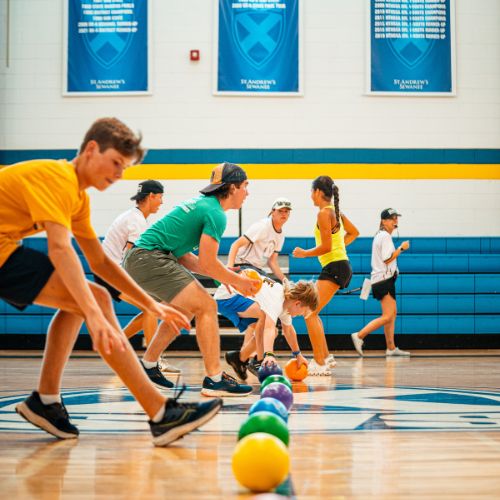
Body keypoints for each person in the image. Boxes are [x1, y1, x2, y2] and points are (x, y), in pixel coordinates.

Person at [0, 117, 222, 446]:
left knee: (88, 297)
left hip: (6, 249)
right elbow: (60, 250)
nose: (119, 174)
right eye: (116, 162)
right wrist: (94, 314)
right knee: (94, 301)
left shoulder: (77, 196)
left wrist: (152, 305)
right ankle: (160, 413)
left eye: (125, 167)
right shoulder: (57, 178)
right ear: (91, 149)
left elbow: (100, 261)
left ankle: (46, 400)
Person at [123, 162, 260, 395]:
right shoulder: (216, 213)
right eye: (246, 186)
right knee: (206, 305)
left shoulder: (203, 205)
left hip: (146, 258)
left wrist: (224, 277)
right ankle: (215, 378)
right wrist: (239, 281)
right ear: (233, 187)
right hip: (149, 258)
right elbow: (207, 263)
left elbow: (186, 257)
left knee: (184, 309)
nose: (248, 192)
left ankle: (148, 364)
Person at [94, 180, 180, 374]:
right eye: (160, 197)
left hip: (110, 271)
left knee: (148, 309)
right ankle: (153, 361)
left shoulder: (134, 217)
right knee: (150, 307)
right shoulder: (136, 221)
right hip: (111, 273)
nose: (161, 202)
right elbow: (133, 259)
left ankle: (113, 346)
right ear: (151, 196)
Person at [292, 176, 359, 375]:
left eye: (311, 191)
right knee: (314, 313)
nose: (310, 196)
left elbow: (326, 246)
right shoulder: (336, 212)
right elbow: (354, 233)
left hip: (335, 267)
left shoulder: (323, 213)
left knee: (309, 313)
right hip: (340, 265)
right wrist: (337, 249)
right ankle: (326, 358)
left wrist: (304, 253)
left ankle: (319, 363)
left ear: (318, 192)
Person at [217, 274, 317, 380]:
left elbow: (288, 330)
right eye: (303, 312)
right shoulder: (277, 299)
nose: (300, 315)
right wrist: (269, 355)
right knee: (264, 317)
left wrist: (298, 355)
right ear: (297, 303)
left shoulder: (286, 303)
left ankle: (239, 358)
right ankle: (260, 361)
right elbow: (267, 327)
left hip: (242, 299)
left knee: (272, 331)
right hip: (227, 297)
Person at [351, 208, 410, 357]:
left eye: (396, 218)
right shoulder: (384, 236)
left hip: (385, 280)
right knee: (388, 316)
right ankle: (359, 336)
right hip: (384, 280)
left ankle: (391, 348)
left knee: (392, 314)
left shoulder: (381, 236)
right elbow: (387, 258)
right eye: (392, 218)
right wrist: (401, 248)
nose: (395, 221)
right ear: (383, 221)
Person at [227, 197, 292, 281]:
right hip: (242, 265)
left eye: (286, 211)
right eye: (280, 211)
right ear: (273, 212)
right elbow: (235, 245)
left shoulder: (281, 235)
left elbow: (272, 262)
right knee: (263, 288)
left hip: (257, 270)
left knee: (274, 288)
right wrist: (229, 268)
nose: (283, 214)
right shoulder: (262, 226)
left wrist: (285, 281)